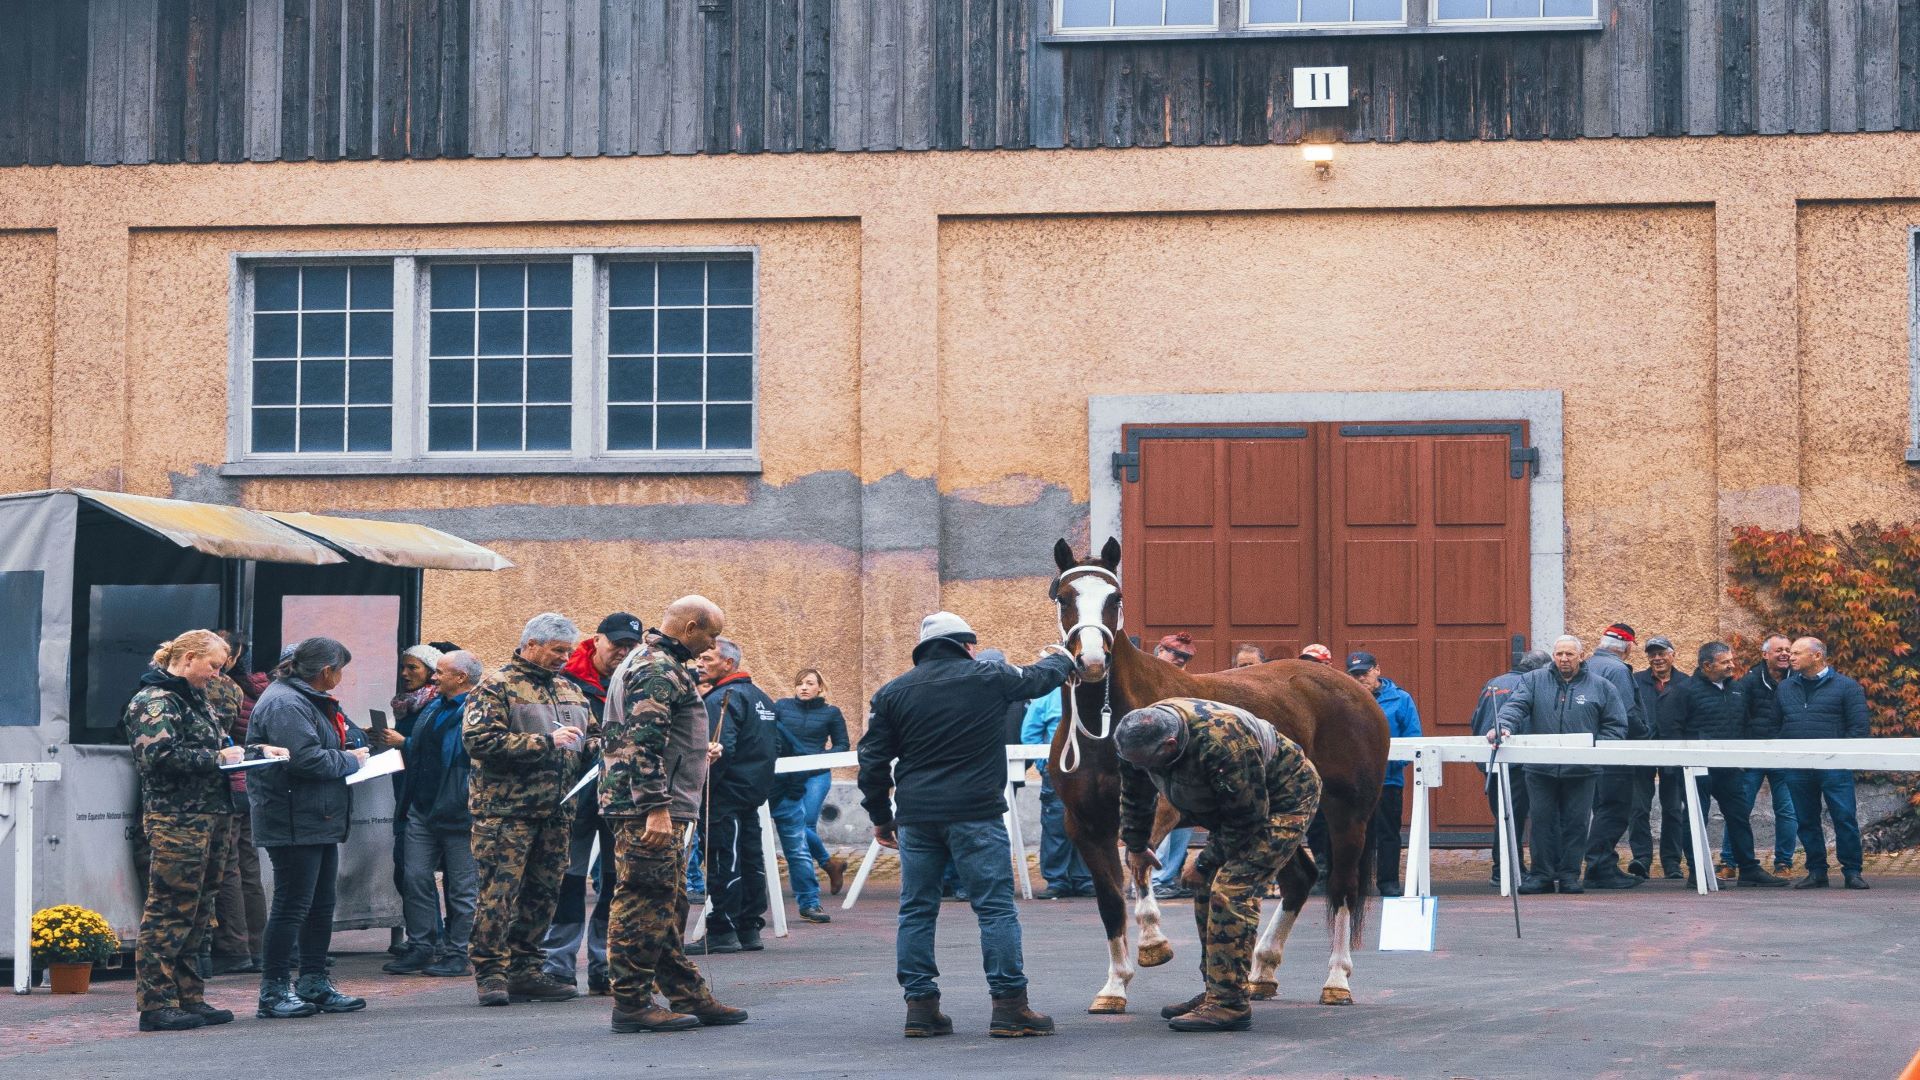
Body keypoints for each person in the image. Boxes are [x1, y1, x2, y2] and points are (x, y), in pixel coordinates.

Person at [857, 611, 1073, 1039]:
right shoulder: (987, 676)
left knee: (916, 909)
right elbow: (1038, 678)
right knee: (994, 908)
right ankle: (1010, 1007)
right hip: (976, 811)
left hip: (917, 815)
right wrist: (1066, 656)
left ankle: (920, 1009)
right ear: (966, 645)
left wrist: (881, 816)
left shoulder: (892, 693)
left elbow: (872, 761)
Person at [1116, 699, 1322, 1033]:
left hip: (1284, 800)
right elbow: (1135, 795)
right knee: (1205, 886)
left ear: (1169, 746)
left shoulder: (1223, 742)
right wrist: (1137, 845)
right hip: (1235, 805)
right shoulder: (1134, 740)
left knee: (1231, 889)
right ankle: (1219, 988)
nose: (1139, 769)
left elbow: (1248, 816)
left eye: (1146, 763)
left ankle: (1230, 1005)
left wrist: (1205, 860)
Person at [601, 596, 747, 1034]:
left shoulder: (655, 663)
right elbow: (643, 742)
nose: (712, 644)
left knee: (667, 901)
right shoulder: (659, 669)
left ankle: (686, 994)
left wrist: (698, 754)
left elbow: (661, 737)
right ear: (688, 627)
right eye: (710, 634)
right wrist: (656, 808)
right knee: (643, 903)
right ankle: (631, 1004)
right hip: (648, 808)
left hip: (651, 803)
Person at [127, 630, 283, 1032]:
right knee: (169, 909)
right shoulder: (155, 700)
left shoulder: (194, 699)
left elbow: (220, 746)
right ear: (189, 658)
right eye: (213, 666)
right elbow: (158, 757)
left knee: (200, 910)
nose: (216, 675)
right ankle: (156, 1002)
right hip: (176, 821)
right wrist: (218, 757)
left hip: (212, 816)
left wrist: (254, 753)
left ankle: (189, 997)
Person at [463, 613, 597, 1006]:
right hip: (506, 814)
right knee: (498, 895)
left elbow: (592, 736)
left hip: (557, 813)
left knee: (543, 895)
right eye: (558, 651)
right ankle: (491, 972)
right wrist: (545, 742)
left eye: (568, 652)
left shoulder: (571, 691)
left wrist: (599, 748)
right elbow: (479, 742)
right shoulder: (496, 687)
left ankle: (526, 970)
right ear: (532, 644)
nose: (564, 658)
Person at [247, 636, 369, 1019]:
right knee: (292, 905)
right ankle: (274, 989)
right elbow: (305, 760)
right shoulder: (286, 702)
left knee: (319, 904)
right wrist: (350, 761)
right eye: (340, 670)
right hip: (292, 815)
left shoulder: (306, 698)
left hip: (317, 816)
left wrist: (348, 751)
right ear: (326, 671)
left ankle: (314, 980)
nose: (341, 678)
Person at [541, 612, 642, 994]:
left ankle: (604, 964)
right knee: (567, 881)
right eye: (617, 643)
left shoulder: (638, 680)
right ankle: (558, 964)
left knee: (615, 884)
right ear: (596, 640)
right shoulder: (563, 678)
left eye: (631, 646)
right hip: (572, 797)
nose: (623, 651)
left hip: (621, 798)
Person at [1490, 635, 1628, 894]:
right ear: (1553, 656)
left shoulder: (1602, 686)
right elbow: (1515, 706)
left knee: (1576, 823)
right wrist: (1503, 725)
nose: (1564, 659)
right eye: (1559, 654)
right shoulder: (1533, 681)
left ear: (1581, 655)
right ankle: (1541, 875)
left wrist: (1595, 749)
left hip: (1582, 770)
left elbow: (1616, 724)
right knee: (1542, 822)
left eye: (1569, 654)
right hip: (1540, 768)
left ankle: (1569, 876)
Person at [386, 650, 485, 978]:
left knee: (461, 886)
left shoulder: (479, 709)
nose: (434, 677)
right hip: (423, 808)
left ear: (460, 678)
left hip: (459, 812)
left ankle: (458, 953)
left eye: (441, 672)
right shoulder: (434, 706)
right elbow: (422, 747)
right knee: (414, 877)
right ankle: (422, 946)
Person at [1658, 642, 1788, 888]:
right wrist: (1678, 766)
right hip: (1696, 769)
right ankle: (1697, 871)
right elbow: (1670, 730)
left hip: (1729, 768)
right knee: (1696, 819)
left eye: (1731, 660)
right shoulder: (1683, 692)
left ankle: (1748, 868)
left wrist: (1743, 759)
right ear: (1707, 665)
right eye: (1725, 661)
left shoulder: (1737, 690)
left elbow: (1746, 725)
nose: (1732, 665)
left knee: (1739, 817)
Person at [696, 637, 783, 953]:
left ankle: (723, 929)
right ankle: (748, 928)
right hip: (751, 793)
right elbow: (775, 747)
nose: (699, 664)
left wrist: (704, 790)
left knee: (723, 859)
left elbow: (719, 749)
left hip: (725, 794)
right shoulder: (761, 697)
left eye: (707, 659)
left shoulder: (724, 698)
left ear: (728, 664)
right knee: (750, 858)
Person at [1777, 637, 1870, 890]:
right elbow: (1778, 725)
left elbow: (1859, 729)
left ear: (1817, 656)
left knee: (1844, 817)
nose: (1790, 657)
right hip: (1797, 767)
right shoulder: (1785, 688)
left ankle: (1852, 871)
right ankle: (1817, 871)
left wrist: (1840, 758)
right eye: (1790, 653)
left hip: (1834, 767)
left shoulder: (1847, 687)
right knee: (1806, 820)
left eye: (1797, 653)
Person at [373, 643, 444, 956]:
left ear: (430, 672)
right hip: (405, 793)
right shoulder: (407, 706)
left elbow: (441, 747)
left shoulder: (437, 705)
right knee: (407, 871)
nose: (404, 674)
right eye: (403, 667)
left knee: (413, 870)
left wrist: (405, 741)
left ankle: (433, 939)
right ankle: (428, 937)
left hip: (425, 799)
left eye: (413, 667)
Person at [205, 631, 267, 976]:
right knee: (248, 868)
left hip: (228, 784)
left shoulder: (223, 689)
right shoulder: (255, 690)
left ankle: (232, 945)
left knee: (227, 868)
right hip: (249, 787)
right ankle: (257, 945)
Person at [1471, 649, 1551, 889]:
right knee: (1513, 817)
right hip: (1516, 760)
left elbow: (1477, 719)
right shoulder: (1531, 684)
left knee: (1504, 816)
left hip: (1491, 759)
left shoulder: (1494, 683)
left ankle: (1506, 867)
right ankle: (1505, 869)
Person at [771, 668, 851, 905]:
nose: (804, 687)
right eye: (800, 684)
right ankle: (829, 864)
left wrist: (819, 758)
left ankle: (821, 871)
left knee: (805, 824)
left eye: (809, 683)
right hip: (785, 774)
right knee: (794, 822)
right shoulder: (782, 707)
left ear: (820, 688)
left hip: (816, 774)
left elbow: (842, 744)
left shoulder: (831, 713)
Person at [1345, 652, 1420, 896]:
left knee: (1388, 833)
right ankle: (1358, 881)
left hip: (1388, 780)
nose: (1360, 679)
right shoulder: (1344, 699)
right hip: (1355, 783)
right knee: (1356, 832)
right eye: (1354, 675)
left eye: (1364, 673)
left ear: (1377, 669)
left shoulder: (1401, 699)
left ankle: (1388, 882)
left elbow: (1413, 737)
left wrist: (1391, 764)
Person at [1580, 624, 1648, 889]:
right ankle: (1599, 867)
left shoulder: (1587, 665)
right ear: (1628, 647)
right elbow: (1626, 713)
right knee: (1616, 809)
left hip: (1589, 750)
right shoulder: (1617, 670)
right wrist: (1645, 735)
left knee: (1600, 808)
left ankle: (1600, 863)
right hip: (1614, 750)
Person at [1734, 635, 1799, 874]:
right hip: (1753, 755)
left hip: (1784, 755)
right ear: (1765, 655)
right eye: (1778, 650)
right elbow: (1738, 718)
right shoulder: (1748, 681)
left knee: (1787, 811)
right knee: (1740, 809)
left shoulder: (1799, 681)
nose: (1784, 654)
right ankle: (1730, 862)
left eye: (1788, 650)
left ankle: (1784, 863)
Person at [1020, 686, 1093, 899]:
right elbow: (1030, 733)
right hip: (1058, 773)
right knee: (1056, 824)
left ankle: (1084, 879)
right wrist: (1045, 765)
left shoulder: (1093, 695)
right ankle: (1056, 880)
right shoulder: (1047, 697)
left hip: (1089, 773)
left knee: (1088, 825)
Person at [1632, 637, 1692, 879]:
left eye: (1661, 653)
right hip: (1641, 750)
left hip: (1674, 751)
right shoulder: (1636, 681)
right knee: (1638, 808)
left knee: (1673, 809)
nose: (1657, 658)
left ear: (1673, 655)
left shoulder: (1685, 682)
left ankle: (1671, 862)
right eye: (1652, 654)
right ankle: (1641, 859)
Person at [1149, 632, 1199, 899]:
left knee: (1183, 822)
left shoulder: (1187, 684)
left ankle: (1168, 877)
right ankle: (1155, 878)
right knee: (1160, 820)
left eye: (1184, 657)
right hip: (1153, 762)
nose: (1179, 659)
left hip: (1183, 761)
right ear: (1159, 650)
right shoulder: (1145, 679)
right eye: (1174, 653)